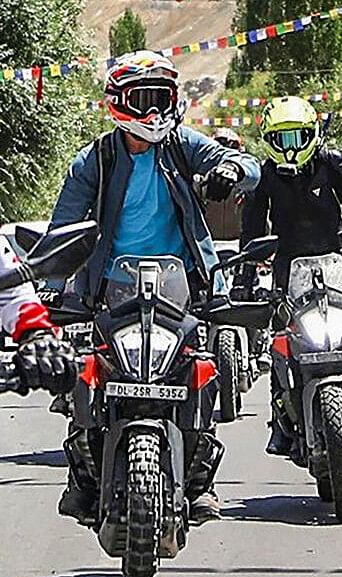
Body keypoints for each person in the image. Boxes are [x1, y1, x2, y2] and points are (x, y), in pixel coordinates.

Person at [47, 51, 261, 524]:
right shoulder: (95, 161)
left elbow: (247, 164)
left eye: (160, 98)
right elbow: (62, 229)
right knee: (86, 376)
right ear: (118, 103)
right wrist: (50, 287)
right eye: (141, 100)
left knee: (199, 374)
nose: (151, 113)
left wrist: (232, 171)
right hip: (110, 292)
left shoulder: (183, 145)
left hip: (183, 288)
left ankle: (201, 480)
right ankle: (82, 476)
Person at [236, 96, 342, 458]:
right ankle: (280, 421)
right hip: (288, 268)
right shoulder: (263, 176)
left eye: (299, 137)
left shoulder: (333, 163)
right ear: (269, 140)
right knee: (281, 342)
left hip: (336, 264)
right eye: (283, 140)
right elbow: (251, 231)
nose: (292, 148)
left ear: (313, 134)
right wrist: (242, 282)